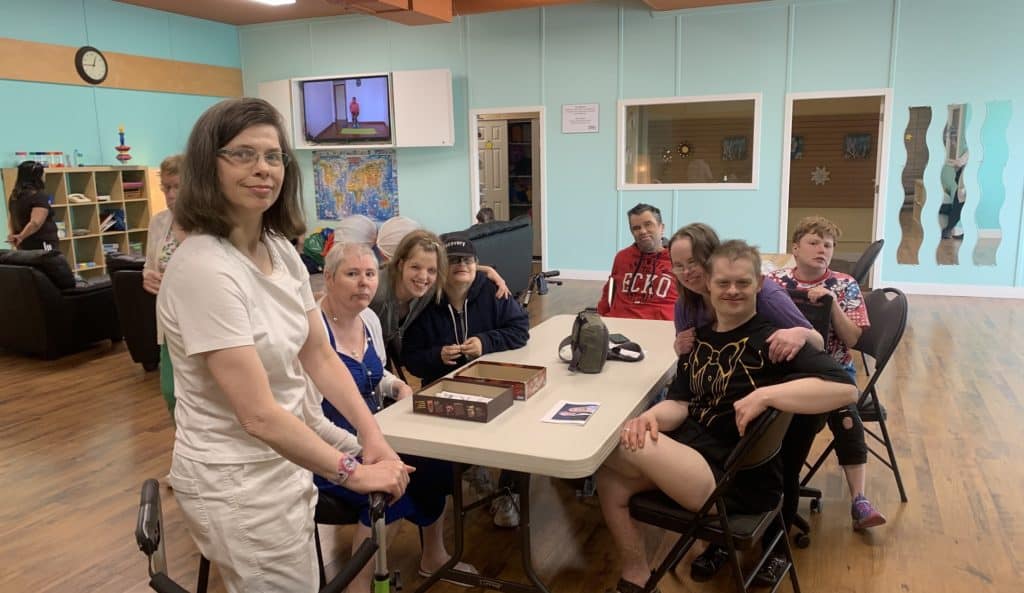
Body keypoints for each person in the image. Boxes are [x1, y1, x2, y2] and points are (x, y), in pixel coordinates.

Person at [157, 97, 411, 593]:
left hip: (286, 457)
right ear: (210, 164)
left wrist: (370, 436)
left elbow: (317, 355)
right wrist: (352, 473)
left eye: (273, 156)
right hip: (238, 481)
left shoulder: (279, 251)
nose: (262, 169)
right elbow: (256, 415)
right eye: (242, 154)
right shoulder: (205, 268)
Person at [596, 240, 858, 593]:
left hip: (735, 480)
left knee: (612, 445)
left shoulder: (773, 341)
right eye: (723, 283)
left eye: (742, 283)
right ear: (708, 285)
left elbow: (845, 389)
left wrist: (767, 394)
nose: (732, 291)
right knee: (609, 478)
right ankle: (637, 575)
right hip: (694, 459)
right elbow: (681, 403)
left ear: (759, 285)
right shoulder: (698, 340)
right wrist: (652, 417)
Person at [314, 240, 476, 591]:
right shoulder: (312, 329)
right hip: (324, 450)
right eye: (352, 274)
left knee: (436, 465)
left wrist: (398, 389)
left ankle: (434, 555)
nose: (364, 282)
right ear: (328, 278)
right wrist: (363, 446)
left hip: (372, 434)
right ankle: (358, 586)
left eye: (370, 274)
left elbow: (377, 373)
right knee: (390, 489)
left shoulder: (368, 318)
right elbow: (307, 418)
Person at [668, 222, 825, 583]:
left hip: (788, 396)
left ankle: (776, 550)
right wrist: (679, 347)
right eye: (678, 265)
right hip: (733, 403)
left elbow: (815, 341)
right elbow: (691, 363)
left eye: (694, 261)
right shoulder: (686, 307)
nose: (687, 271)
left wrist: (798, 332)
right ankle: (722, 542)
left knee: (780, 468)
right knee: (729, 468)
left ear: (712, 259)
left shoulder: (763, 296)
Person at [402, 234, 530, 528]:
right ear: (441, 268)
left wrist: (486, 342)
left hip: (494, 383)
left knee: (520, 430)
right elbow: (411, 357)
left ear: (476, 264)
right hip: (442, 390)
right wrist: (437, 356)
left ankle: (506, 489)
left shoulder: (492, 293)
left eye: (468, 260)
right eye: (454, 260)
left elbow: (521, 329)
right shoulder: (424, 304)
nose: (462, 265)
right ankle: (471, 469)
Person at [767, 215, 885, 530]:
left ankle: (859, 500)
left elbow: (852, 339)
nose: (823, 250)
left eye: (828, 245)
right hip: (785, 368)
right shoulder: (776, 282)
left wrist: (832, 304)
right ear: (795, 247)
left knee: (846, 416)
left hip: (833, 370)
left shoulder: (844, 284)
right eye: (814, 243)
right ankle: (770, 485)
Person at [143, 154, 186, 424]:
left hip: (205, 320)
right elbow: (150, 265)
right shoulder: (159, 223)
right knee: (171, 393)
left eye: (176, 187)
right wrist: (148, 276)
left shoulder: (216, 225)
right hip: (171, 324)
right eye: (165, 188)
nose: (169, 194)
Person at [597, 203, 677, 321]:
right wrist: (602, 319)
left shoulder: (677, 259)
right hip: (620, 325)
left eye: (648, 224)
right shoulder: (622, 257)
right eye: (636, 228)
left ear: (662, 227)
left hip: (661, 327)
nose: (643, 231)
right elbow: (609, 292)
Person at [6, 160, 59, 251]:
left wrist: (14, 234)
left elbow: (12, 218)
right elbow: (35, 223)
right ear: (38, 177)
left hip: (24, 244)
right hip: (42, 242)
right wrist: (21, 236)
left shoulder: (14, 196)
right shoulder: (38, 196)